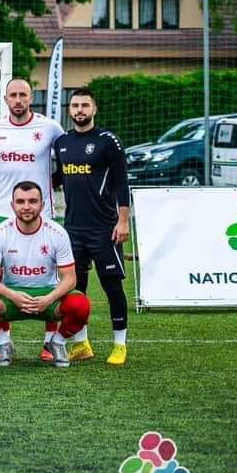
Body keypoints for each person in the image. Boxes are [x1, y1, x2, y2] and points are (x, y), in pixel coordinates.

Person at [0, 181, 91, 368]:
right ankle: (3, 343)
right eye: (20, 201)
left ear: (42, 205)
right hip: (12, 296)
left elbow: (70, 278)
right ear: (12, 205)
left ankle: (57, 343)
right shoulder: (0, 232)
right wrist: (12, 295)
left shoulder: (57, 233)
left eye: (32, 201)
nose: (26, 207)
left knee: (80, 305)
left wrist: (49, 299)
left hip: (48, 296)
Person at [0, 78, 65, 361]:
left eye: (23, 95)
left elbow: (67, 156)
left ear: (31, 98)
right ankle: (2, 341)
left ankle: (49, 342)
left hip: (42, 211)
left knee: (49, 272)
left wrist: (54, 181)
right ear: (6, 99)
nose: (18, 100)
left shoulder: (50, 127)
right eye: (13, 95)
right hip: (4, 209)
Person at [53, 87, 131, 366]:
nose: (80, 110)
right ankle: (81, 343)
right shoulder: (62, 142)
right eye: (75, 105)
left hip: (105, 228)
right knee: (76, 289)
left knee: (112, 287)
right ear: (70, 109)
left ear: (94, 109)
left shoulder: (108, 141)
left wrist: (123, 220)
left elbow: (122, 182)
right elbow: (59, 178)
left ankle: (119, 345)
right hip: (73, 229)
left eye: (85, 105)